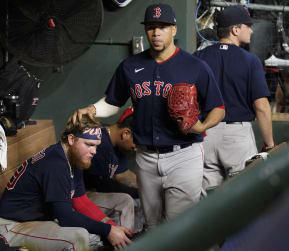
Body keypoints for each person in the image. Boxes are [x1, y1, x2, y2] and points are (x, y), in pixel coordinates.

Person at [72, 3, 225, 233]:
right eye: (151, 27)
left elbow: (219, 108)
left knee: (180, 230)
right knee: (152, 228)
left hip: (183, 155)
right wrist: (92, 109)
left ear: (174, 29)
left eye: (162, 27)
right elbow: (112, 102)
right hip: (146, 157)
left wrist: (202, 125)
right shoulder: (130, 66)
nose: (156, 32)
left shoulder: (195, 66)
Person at [0, 115, 134, 251]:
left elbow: (80, 202)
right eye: (89, 144)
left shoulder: (74, 158)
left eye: (96, 146)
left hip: (39, 221)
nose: (94, 151)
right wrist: (108, 230)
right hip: (12, 228)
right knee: (78, 238)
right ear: (72, 139)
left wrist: (111, 228)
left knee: (94, 234)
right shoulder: (56, 164)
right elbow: (66, 217)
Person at [194, 5, 275, 192]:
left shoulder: (198, 58)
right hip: (237, 136)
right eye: (248, 26)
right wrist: (270, 144)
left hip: (205, 133)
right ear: (235, 30)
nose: (251, 30)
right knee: (245, 195)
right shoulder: (250, 60)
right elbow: (261, 107)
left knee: (209, 201)